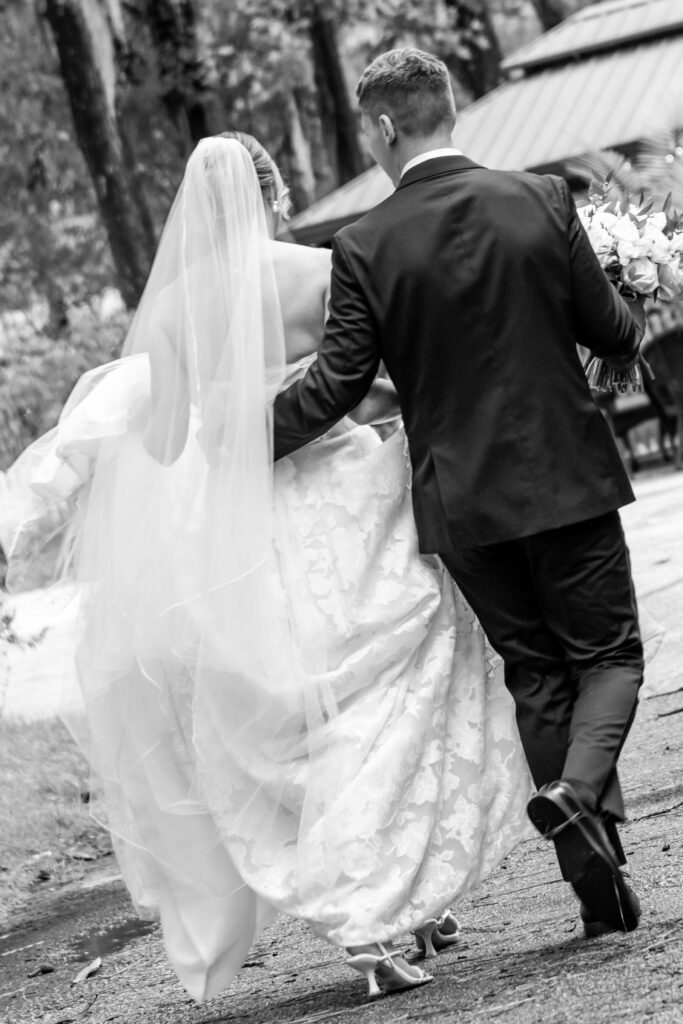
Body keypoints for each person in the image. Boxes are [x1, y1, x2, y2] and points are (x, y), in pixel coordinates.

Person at [5, 133, 531, 1001]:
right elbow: (359, 382)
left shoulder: (173, 307)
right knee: (390, 689)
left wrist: (148, 410)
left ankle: (394, 908)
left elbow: (171, 440)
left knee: (290, 718)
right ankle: (385, 902)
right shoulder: (317, 269)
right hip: (339, 492)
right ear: (274, 192)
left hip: (236, 529)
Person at [272, 48, 647, 939]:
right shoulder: (540, 199)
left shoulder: (362, 243)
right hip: (564, 474)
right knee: (609, 658)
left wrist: (240, 443)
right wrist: (629, 314)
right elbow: (608, 328)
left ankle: (595, 884)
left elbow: (337, 384)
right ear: (449, 111)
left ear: (388, 126)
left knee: (536, 672)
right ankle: (576, 792)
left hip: (462, 499)